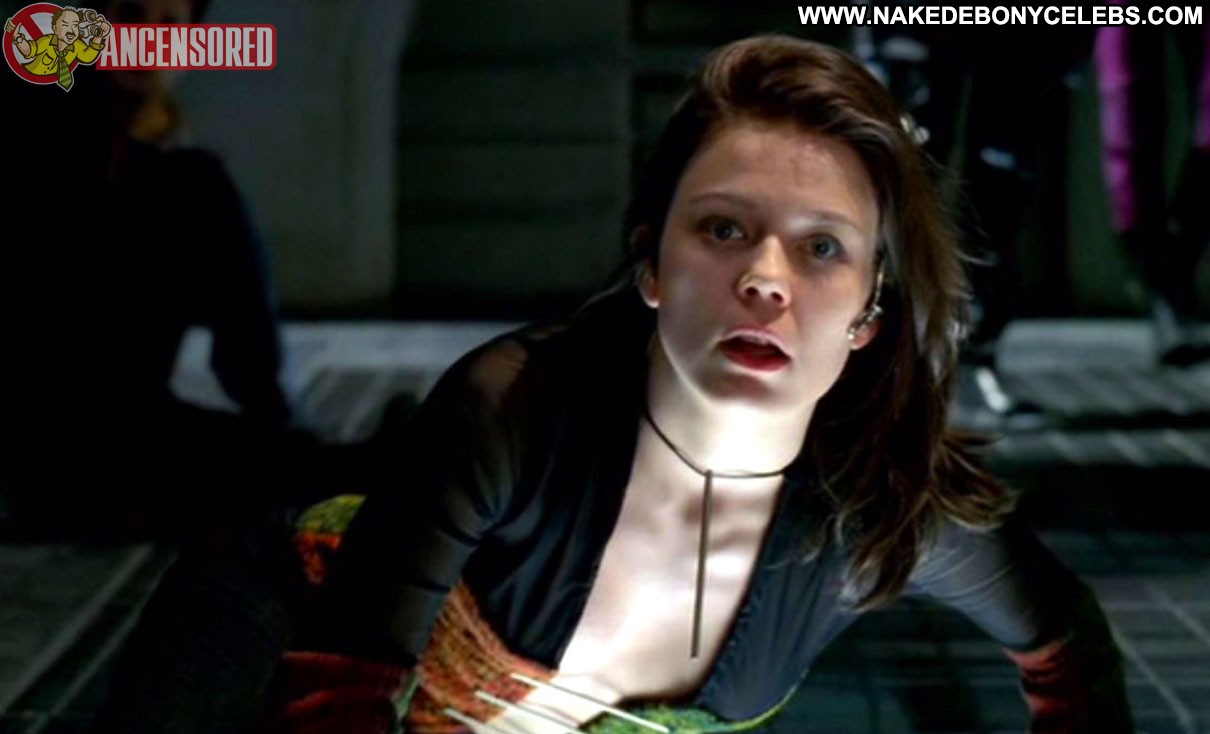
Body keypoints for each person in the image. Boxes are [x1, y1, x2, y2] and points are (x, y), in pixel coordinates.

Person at [97, 35, 1132, 733]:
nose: (765, 278)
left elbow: (1067, 640)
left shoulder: (882, 512)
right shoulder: (511, 405)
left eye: (822, 247)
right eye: (722, 228)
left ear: (868, 314)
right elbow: (340, 702)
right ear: (652, 265)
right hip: (279, 631)